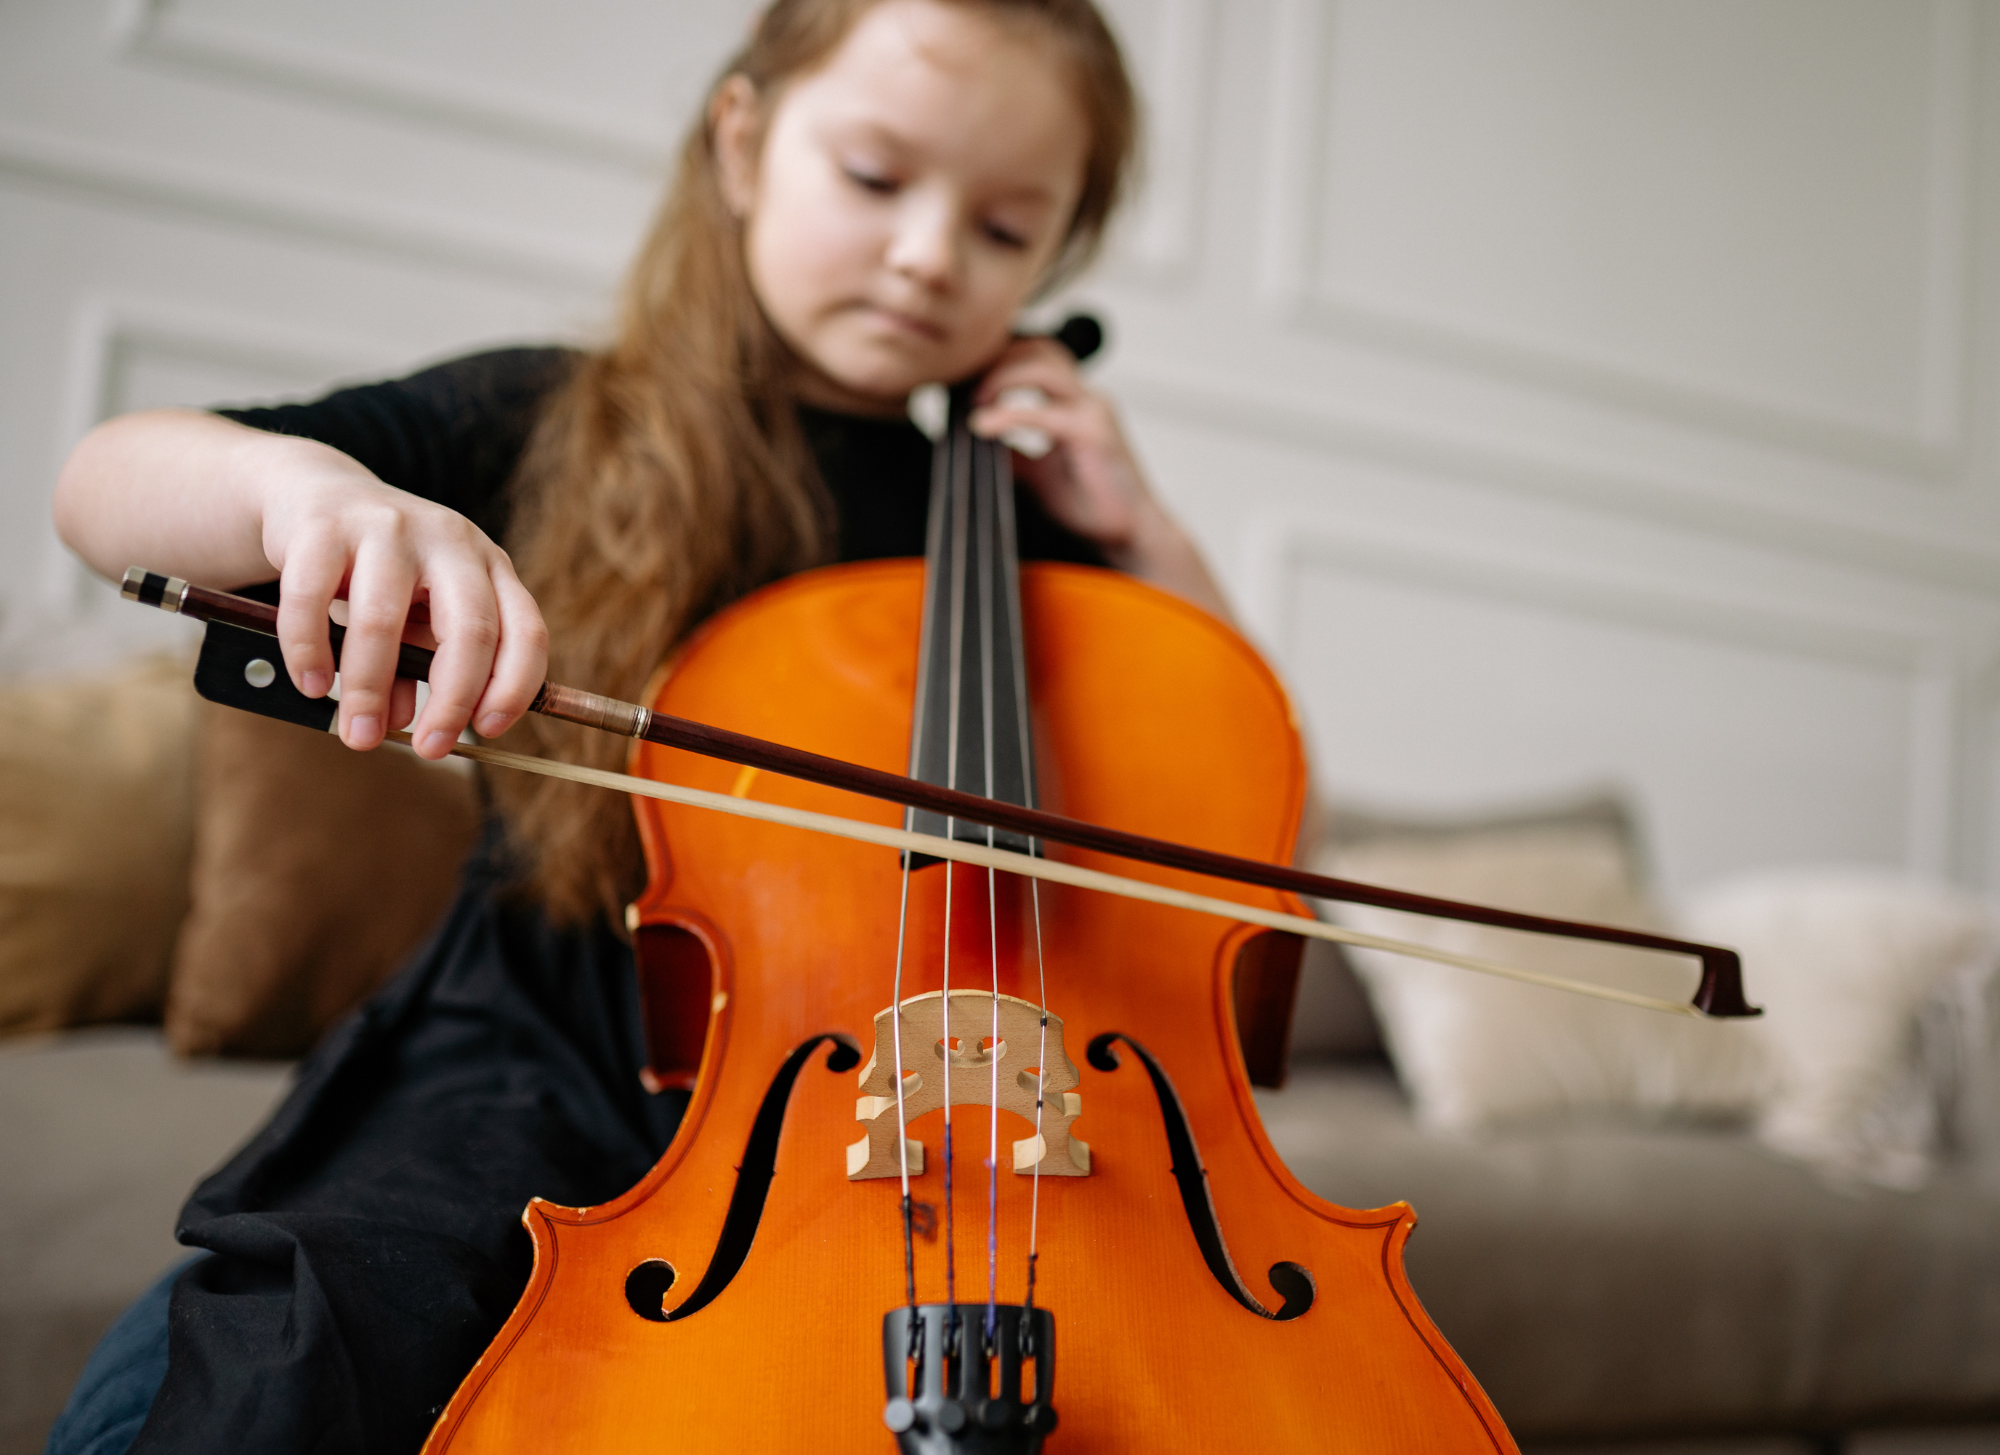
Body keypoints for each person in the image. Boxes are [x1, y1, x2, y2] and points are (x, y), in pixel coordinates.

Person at [47, 1, 1231, 1450]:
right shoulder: (556, 416)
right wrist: (311, 497)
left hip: (931, 1115)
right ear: (741, 143)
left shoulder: (1034, 545)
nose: (929, 253)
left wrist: (1144, 532)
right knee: (288, 1373)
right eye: (874, 179)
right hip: (526, 1050)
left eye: (1004, 229)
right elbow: (109, 485)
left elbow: (1221, 798)